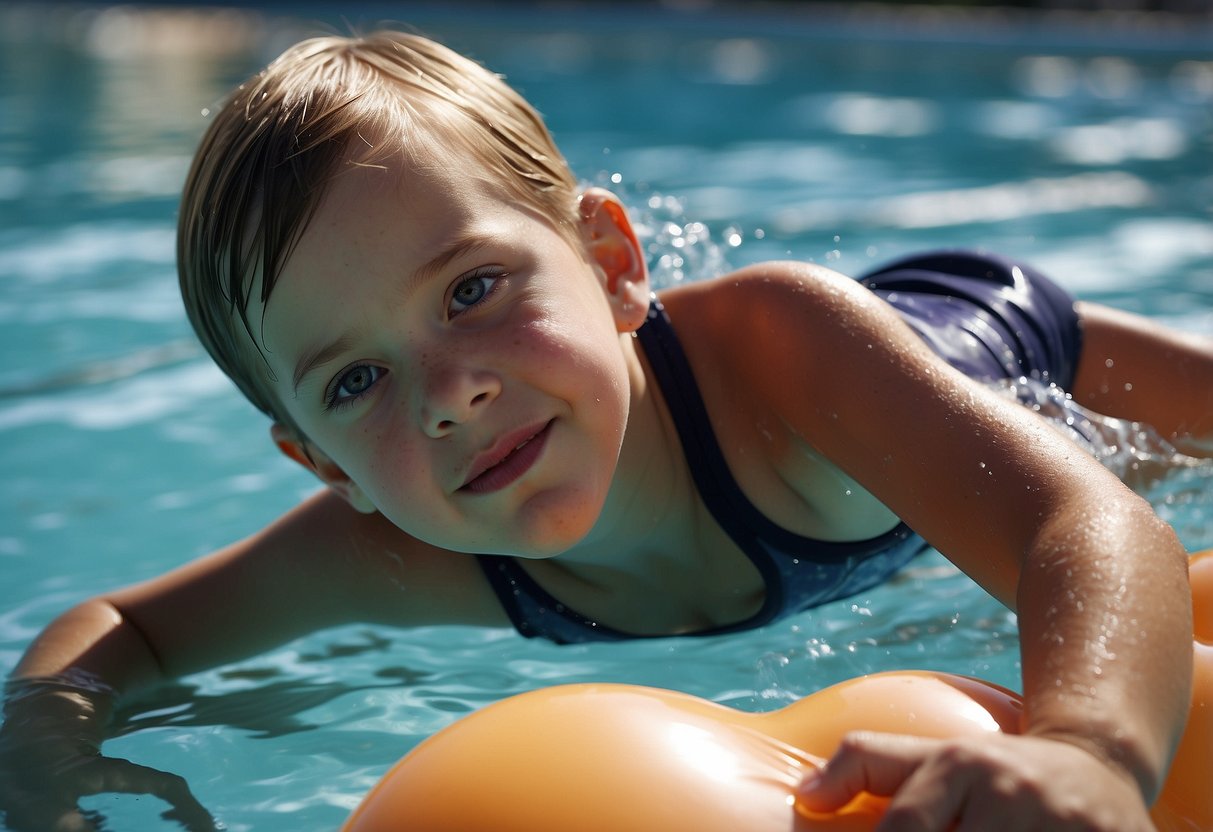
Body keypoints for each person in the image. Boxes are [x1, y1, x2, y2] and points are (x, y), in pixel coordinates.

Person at [2, 29, 1209, 832]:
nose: (448, 395)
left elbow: (1081, 519)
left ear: (611, 264)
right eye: (358, 381)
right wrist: (48, 766)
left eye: (472, 290)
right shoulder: (404, 539)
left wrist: (1093, 748)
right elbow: (121, 630)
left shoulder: (786, 362)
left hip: (1000, 346)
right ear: (321, 463)